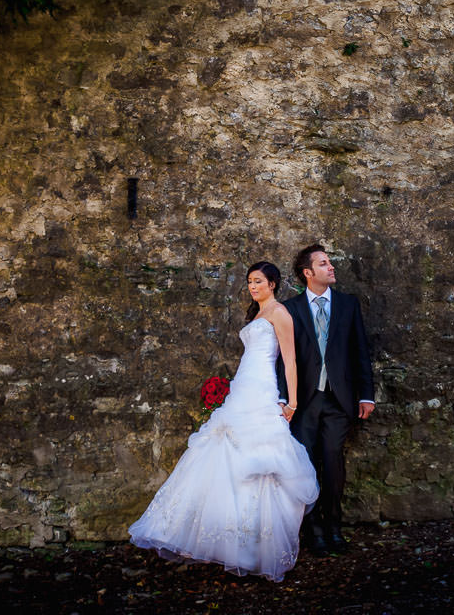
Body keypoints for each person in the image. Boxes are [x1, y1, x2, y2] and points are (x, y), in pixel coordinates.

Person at [129, 261, 319, 582]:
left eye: (258, 281)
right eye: (249, 282)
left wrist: (294, 400)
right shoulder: (256, 314)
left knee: (260, 461)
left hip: (261, 389)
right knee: (224, 453)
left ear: (273, 284)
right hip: (243, 386)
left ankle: (258, 547)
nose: (252, 286)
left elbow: (290, 360)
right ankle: (229, 541)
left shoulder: (279, 313)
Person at [278, 244, 375, 556]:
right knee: (305, 466)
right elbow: (283, 359)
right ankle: (314, 532)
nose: (331, 267)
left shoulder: (348, 305)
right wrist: (283, 399)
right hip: (303, 402)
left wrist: (366, 395)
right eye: (323, 263)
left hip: (339, 400)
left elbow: (360, 349)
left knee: (333, 462)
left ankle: (334, 527)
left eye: (329, 262)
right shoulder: (291, 309)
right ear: (308, 273)